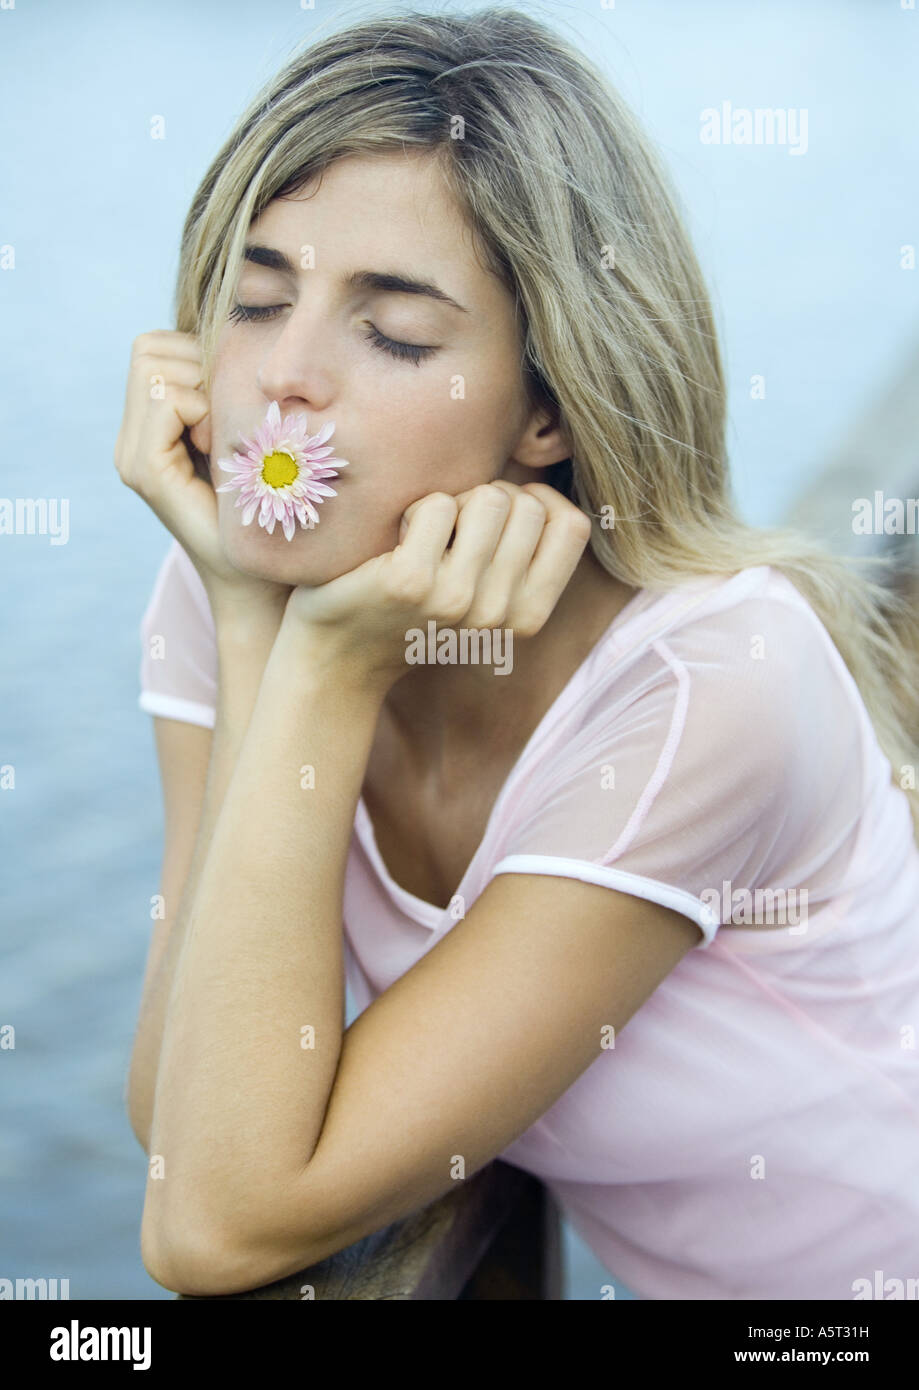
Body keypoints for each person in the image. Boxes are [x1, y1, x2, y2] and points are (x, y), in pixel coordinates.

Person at [120, 7, 919, 1301]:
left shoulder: (708, 688)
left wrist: (320, 670)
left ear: (548, 408)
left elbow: (212, 1227)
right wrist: (276, 632)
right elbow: (183, 1117)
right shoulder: (223, 595)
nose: (285, 377)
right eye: (258, 299)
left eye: (393, 333)